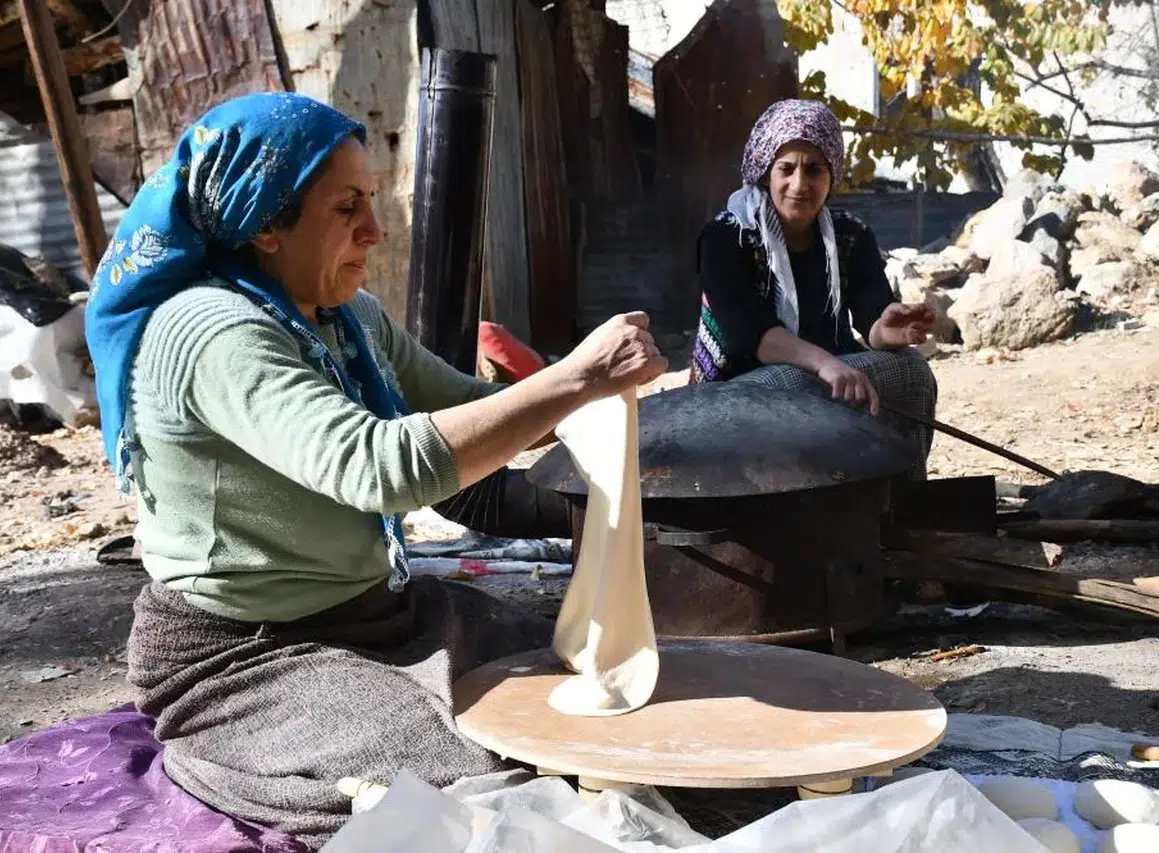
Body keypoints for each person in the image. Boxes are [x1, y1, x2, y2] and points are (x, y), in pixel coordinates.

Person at [84, 92, 666, 847]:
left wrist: (620, 421)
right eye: (346, 207)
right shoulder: (211, 332)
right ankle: (225, 750)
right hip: (244, 656)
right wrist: (576, 379)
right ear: (265, 225)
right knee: (477, 770)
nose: (375, 230)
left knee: (574, 677)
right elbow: (378, 468)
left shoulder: (345, 318)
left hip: (375, 618)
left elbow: (474, 410)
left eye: (371, 200)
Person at [690, 99, 938, 478]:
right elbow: (749, 336)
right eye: (786, 169)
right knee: (790, 383)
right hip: (741, 388)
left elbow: (871, 314)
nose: (799, 185)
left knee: (913, 371)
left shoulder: (850, 234)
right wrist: (825, 364)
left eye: (814, 171)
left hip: (832, 373)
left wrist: (886, 329)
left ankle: (901, 493)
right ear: (766, 173)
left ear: (831, 176)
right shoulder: (727, 236)